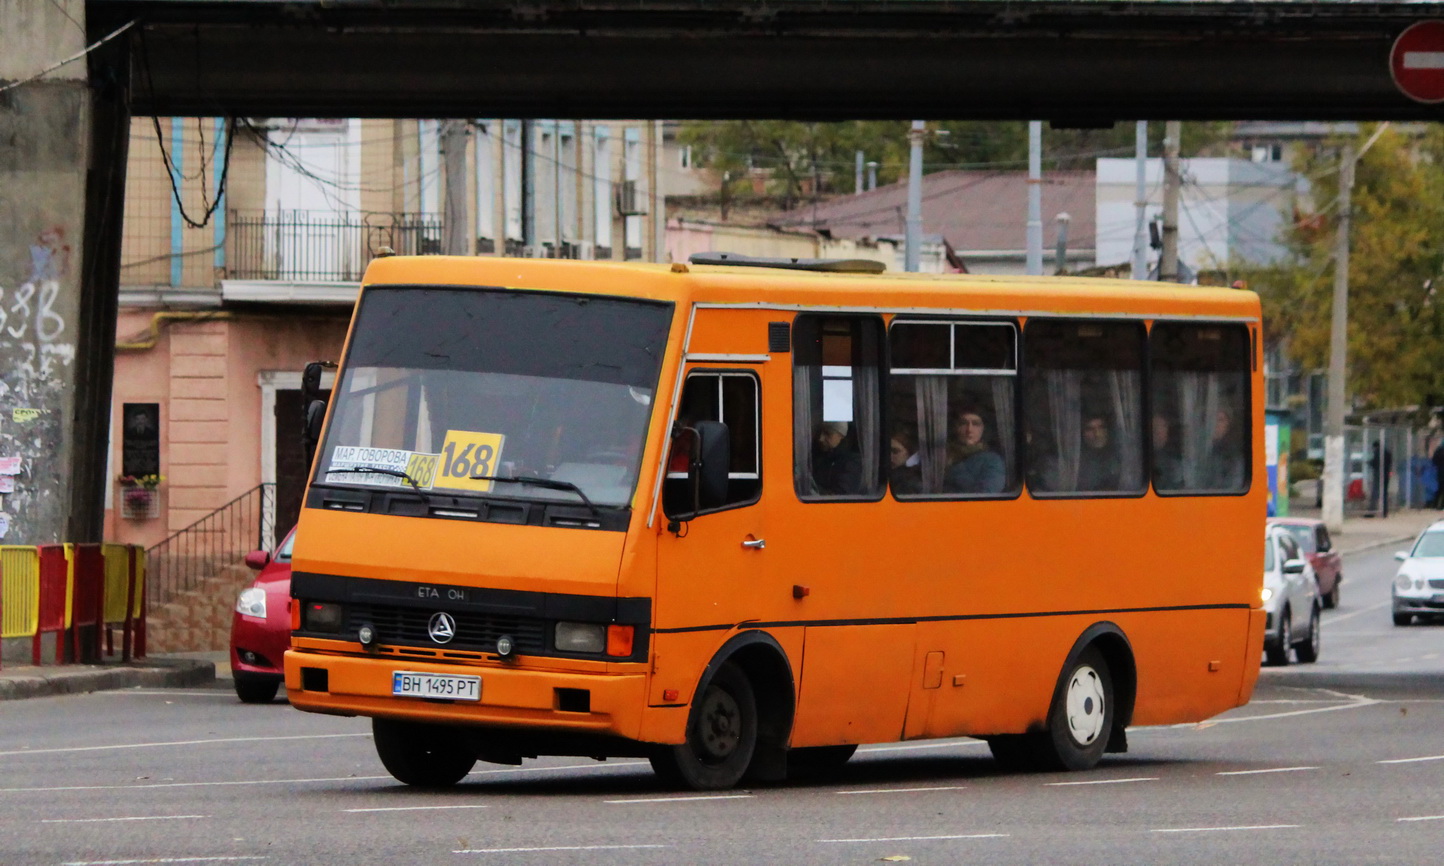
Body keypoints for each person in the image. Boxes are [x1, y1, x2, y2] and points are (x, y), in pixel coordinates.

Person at [942, 405, 1005, 494]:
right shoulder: (941, 455)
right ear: (956, 428)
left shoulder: (992, 460)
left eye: (975, 424)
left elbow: (986, 495)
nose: (969, 430)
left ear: (982, 429)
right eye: (963, 423)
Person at [812, 420, 862, 495]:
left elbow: (839, 497)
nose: (820, 438)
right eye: (820, 433)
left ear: (841, 436)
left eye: (827, 434)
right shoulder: (821, 455)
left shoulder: (853, 463)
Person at [1202, 407, 1245, 490]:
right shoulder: (1205, 449)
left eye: (1220, 420)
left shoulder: (1233, 453)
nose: (1216, 424)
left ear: (1228, 424)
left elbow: (1234, 484)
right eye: (1212, 420)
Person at [1076, 413, 1121, 491]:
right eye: (1090, 429)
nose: (1097, 434)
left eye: (1101, 427)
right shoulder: (1074, 465)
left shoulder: (1120, 457)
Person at [1151, 412, 1184, 490]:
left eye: (1163, 427)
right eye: (1155, 428)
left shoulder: (1174, 459)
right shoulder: (1139, 460)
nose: (1159, 432)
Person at [889, 427, 922, 495]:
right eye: (889, 451)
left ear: (909, 454)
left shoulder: (910, 482)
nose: (890, 456)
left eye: (895, 451)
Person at [1432, 438, 1444, 509]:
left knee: (1440, 489)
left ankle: (1436, 504)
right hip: (1441, 471)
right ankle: (1441, 505)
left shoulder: (1439, 450)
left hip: (1440, 471)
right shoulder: (1439, 451)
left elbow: (1434, 461)